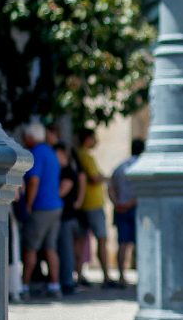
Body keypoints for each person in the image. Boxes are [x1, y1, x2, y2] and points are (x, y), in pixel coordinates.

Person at [20, 122, 64, 298]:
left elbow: (33, 180)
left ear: (31, 137)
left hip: (41, 207)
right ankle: (55, 286)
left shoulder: (37, 153)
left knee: (30, 248)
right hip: (55, 206)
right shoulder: (50, 151)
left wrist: (28, 204)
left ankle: (23, 287)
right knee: (51, 248)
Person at [75, 127, 114, 288]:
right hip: (94, 204)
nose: (96, 141)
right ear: (87, 139)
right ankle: (106, 275)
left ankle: (78, 274)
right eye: (94, 138)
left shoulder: (78, 154)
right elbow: (95, 178)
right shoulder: (86, 156)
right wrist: (108, 178)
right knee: (102, 239)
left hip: (83, 204)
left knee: (80, 240)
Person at [108, 139, 144, 288]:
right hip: (136, 209)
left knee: (122, 244)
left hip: (120, 209)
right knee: (141, 245)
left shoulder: (120, 167)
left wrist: (117, 203)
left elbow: (110, 187)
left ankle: (121, 276)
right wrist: (130, 203)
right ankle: (143, 276)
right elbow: (143, 191)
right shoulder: (142, 167)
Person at [56, 142, 86, 295]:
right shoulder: (67, 171)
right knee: (66, 249)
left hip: (67, 216)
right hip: (68, 215)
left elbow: (61, 192)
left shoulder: (68, 172)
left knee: (66, 250)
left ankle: (68, 282)